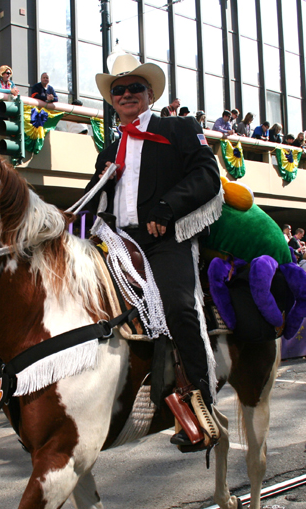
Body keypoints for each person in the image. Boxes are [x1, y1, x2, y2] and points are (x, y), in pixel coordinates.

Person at [85, 54, 221, 447]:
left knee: (179, 307)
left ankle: (201, 406)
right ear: (113, 101)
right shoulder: (109, 150)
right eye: (119, 90)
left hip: (166, 239)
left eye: (134, 88)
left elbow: (206, 175)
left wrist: (167, 208)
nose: (127, 95)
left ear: (149, 94)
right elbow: (98, 198)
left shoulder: (178, 128)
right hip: (117, 240)